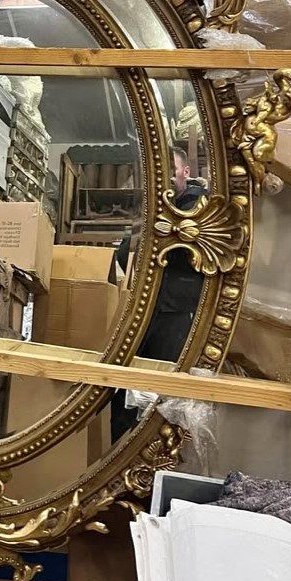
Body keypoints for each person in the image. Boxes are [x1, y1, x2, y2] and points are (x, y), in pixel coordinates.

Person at [110, 147, 207, 441]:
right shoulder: (152, 210)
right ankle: (120, 450)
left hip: (176, 312)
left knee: (162, 395)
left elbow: (179, 251)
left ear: (186, 172)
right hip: (149, 310)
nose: (165, 177)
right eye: (158, 171)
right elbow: (127, 252)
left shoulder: (196, 207)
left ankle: (150, 451)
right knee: (128, 390)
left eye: (171, 169)